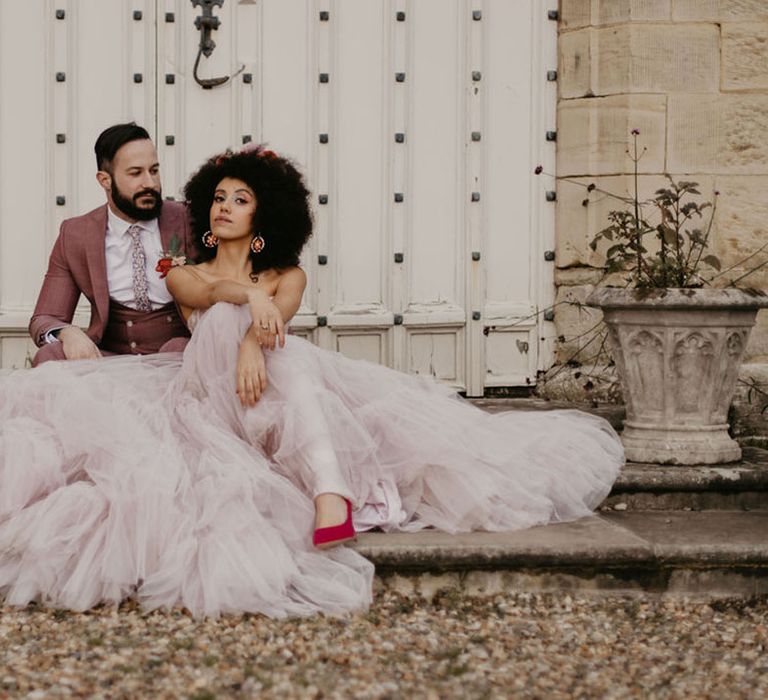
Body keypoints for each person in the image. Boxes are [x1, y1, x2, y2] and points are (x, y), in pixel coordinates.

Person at [0, 145, 623, 619]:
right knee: (226, 316)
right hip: (205, 395)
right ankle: (329, 492)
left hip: (269, 388)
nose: (223, 206)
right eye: (218, 197)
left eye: (241, 198)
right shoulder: (185, 270)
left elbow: (279, 321)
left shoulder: (288, 275)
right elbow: (208, 293)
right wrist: (248, 301)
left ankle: (330, 493)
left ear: (264, 211)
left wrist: (253, 334)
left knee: (286, 356)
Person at [29, 123, 194, 366]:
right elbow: (45, 317)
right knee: (50, 357)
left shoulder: (188, 219)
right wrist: (69, 333)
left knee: (180, 350)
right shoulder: (75, 234)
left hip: (179, 356)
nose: (150, 183)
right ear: (105, 180)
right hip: (110, 361)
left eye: (154, 170)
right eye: (135, 173)